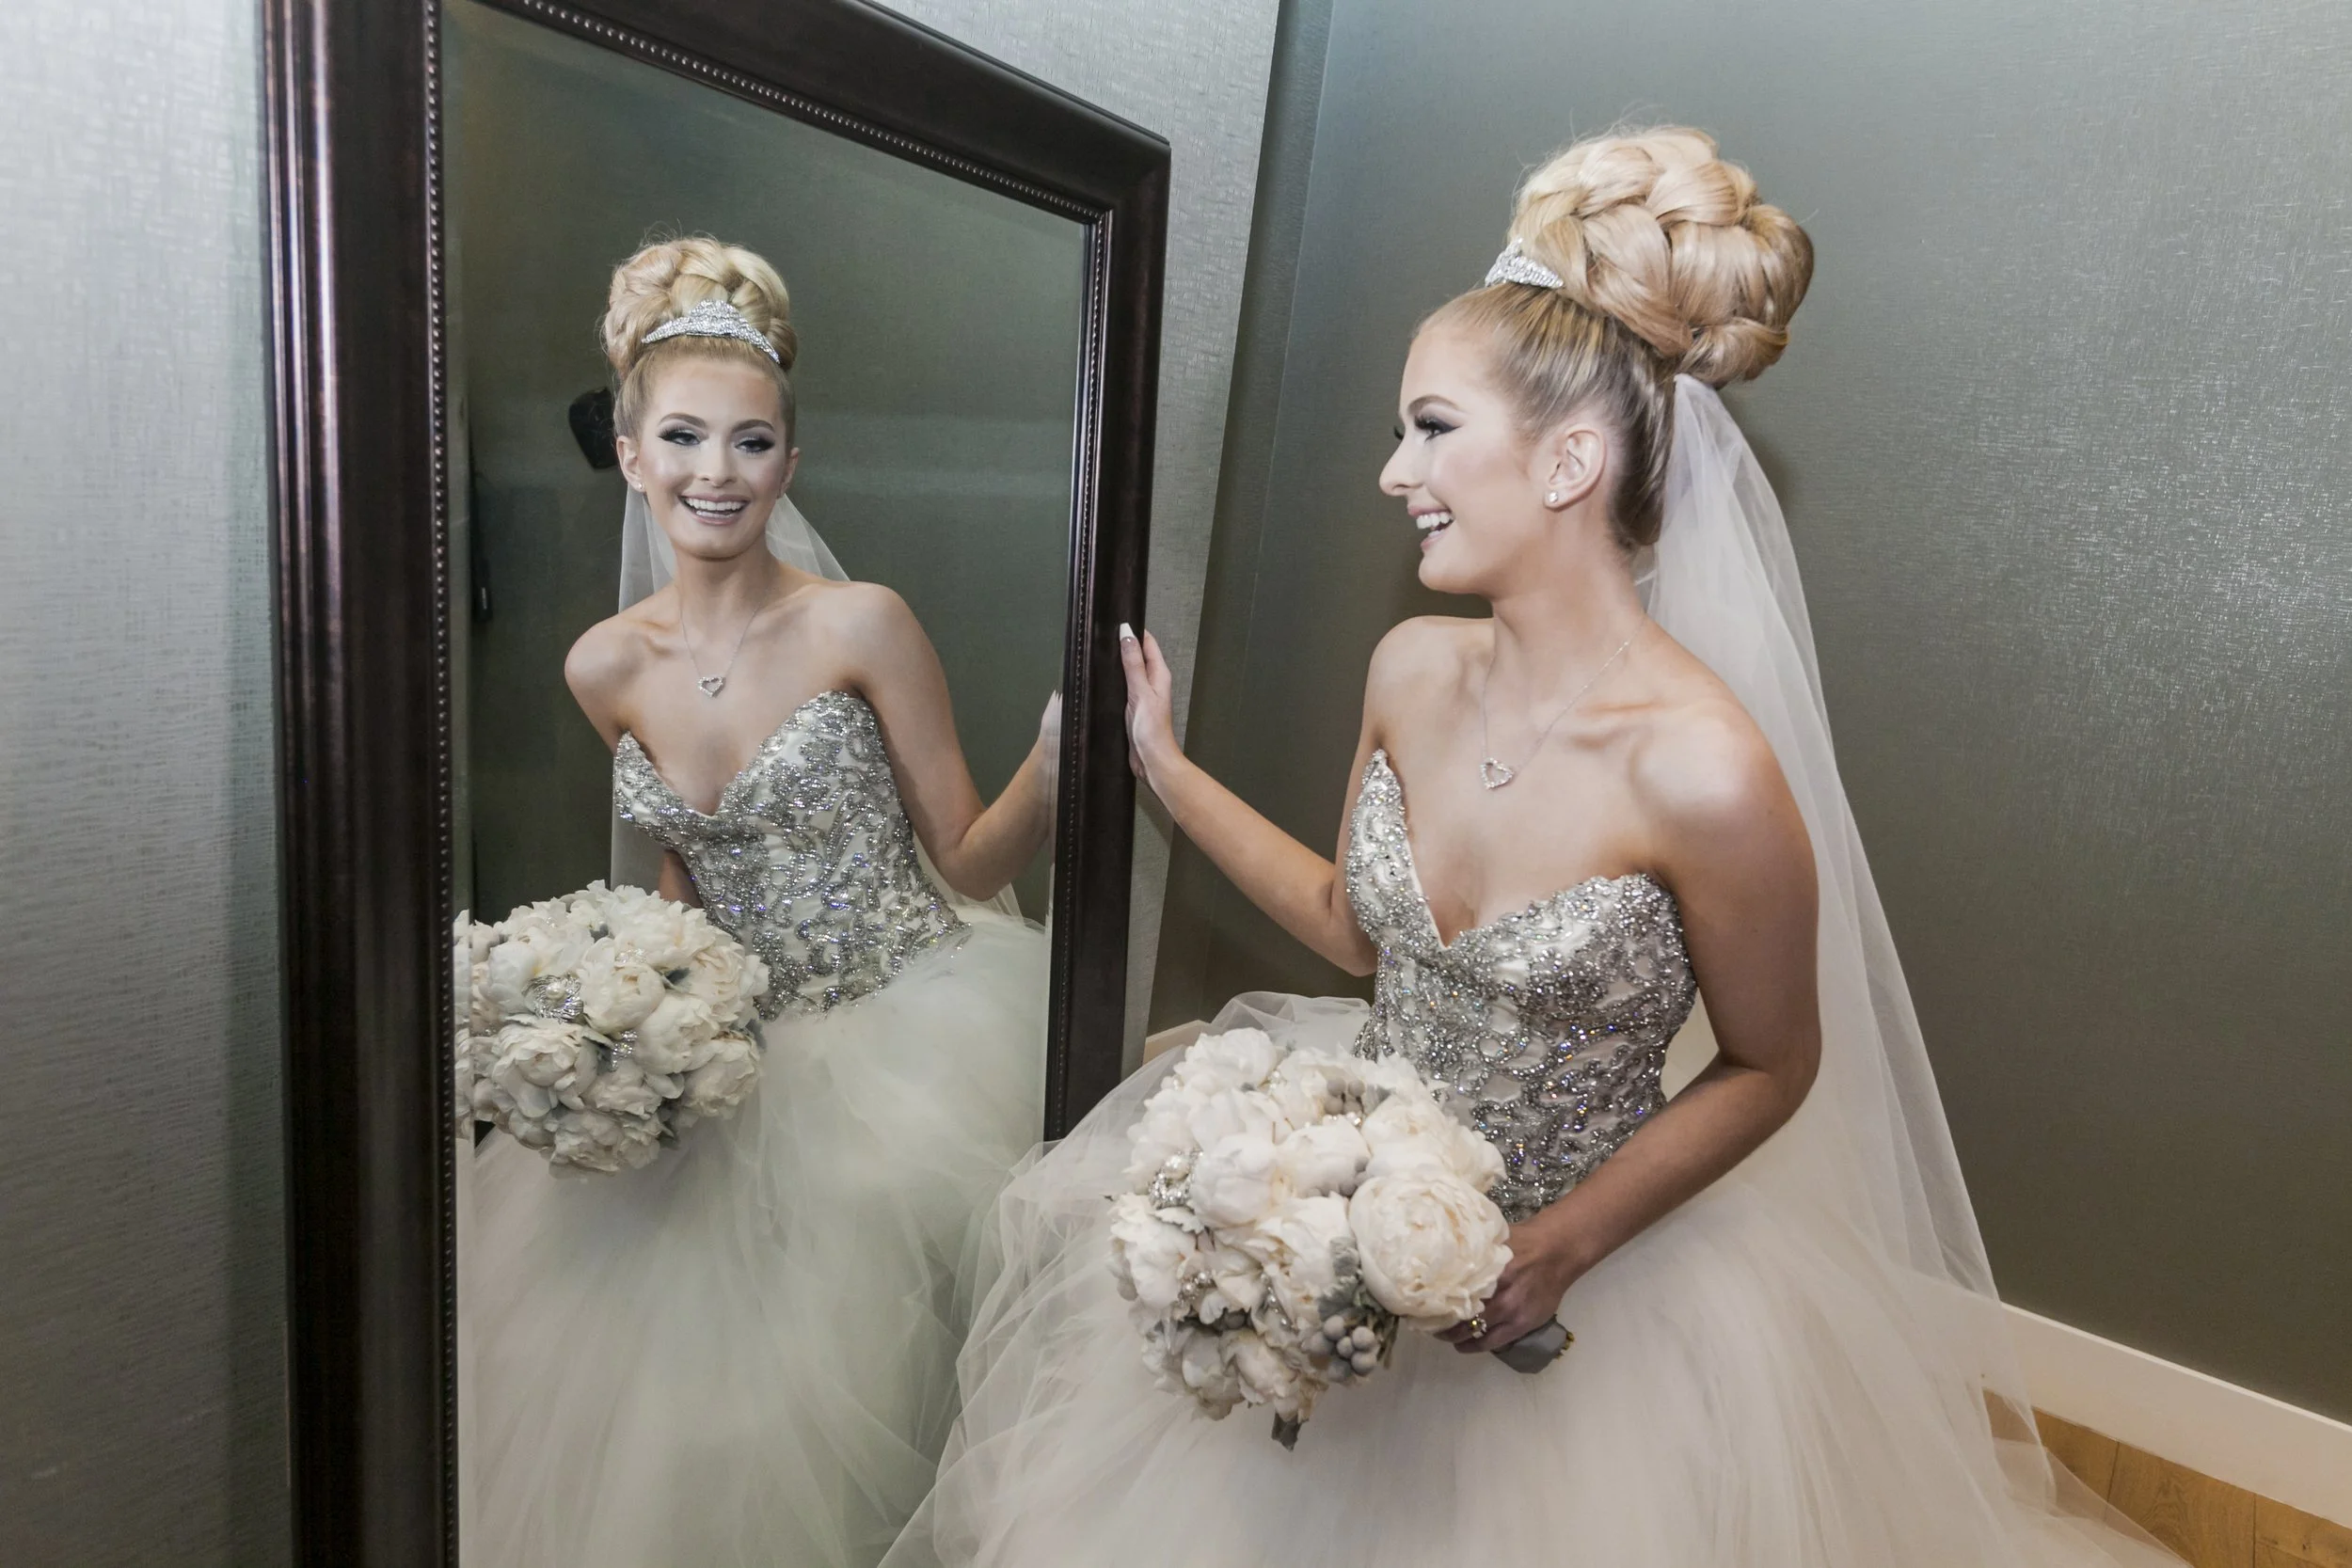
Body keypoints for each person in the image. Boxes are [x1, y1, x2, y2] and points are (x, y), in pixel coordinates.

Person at [885, 130, 2178, 1566]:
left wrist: (1565, 1240)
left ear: (1570, 458)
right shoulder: (1412, 669)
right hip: (1344, 1228)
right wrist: (1164, 768)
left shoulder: (1707, 771)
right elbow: (1352, 922)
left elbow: (1773, 1063)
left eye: (1430, 428)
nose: (1393, 472)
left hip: (1594, 1296)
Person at [464, 237, 1057, 1568]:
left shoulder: (864, 624)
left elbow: (964, 855)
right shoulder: (600, 665)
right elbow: (684, 864)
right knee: (677, 1424)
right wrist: (645, 1000)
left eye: (750, 442)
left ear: (792, 459)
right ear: (630, 453)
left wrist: (1065, 765)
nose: (713, 473)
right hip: (730, 1059)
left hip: (904, 1027)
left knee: (869, 1371)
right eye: (682, 437)